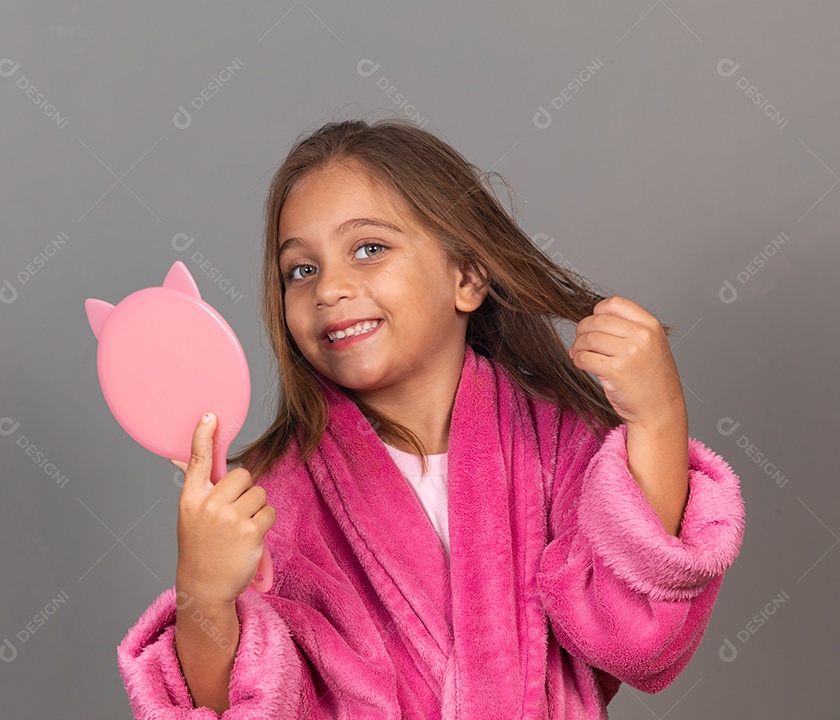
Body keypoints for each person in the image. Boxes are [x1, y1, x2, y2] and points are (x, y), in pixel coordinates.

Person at [115, 118, 746, 718]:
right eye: (300, 269)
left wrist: (660, 418)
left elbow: (639, 641)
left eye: (368, 248)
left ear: (467, 276)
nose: (328, 288)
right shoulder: (273, 493)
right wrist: (204, 592)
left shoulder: (555, 445)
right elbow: (251, 706)